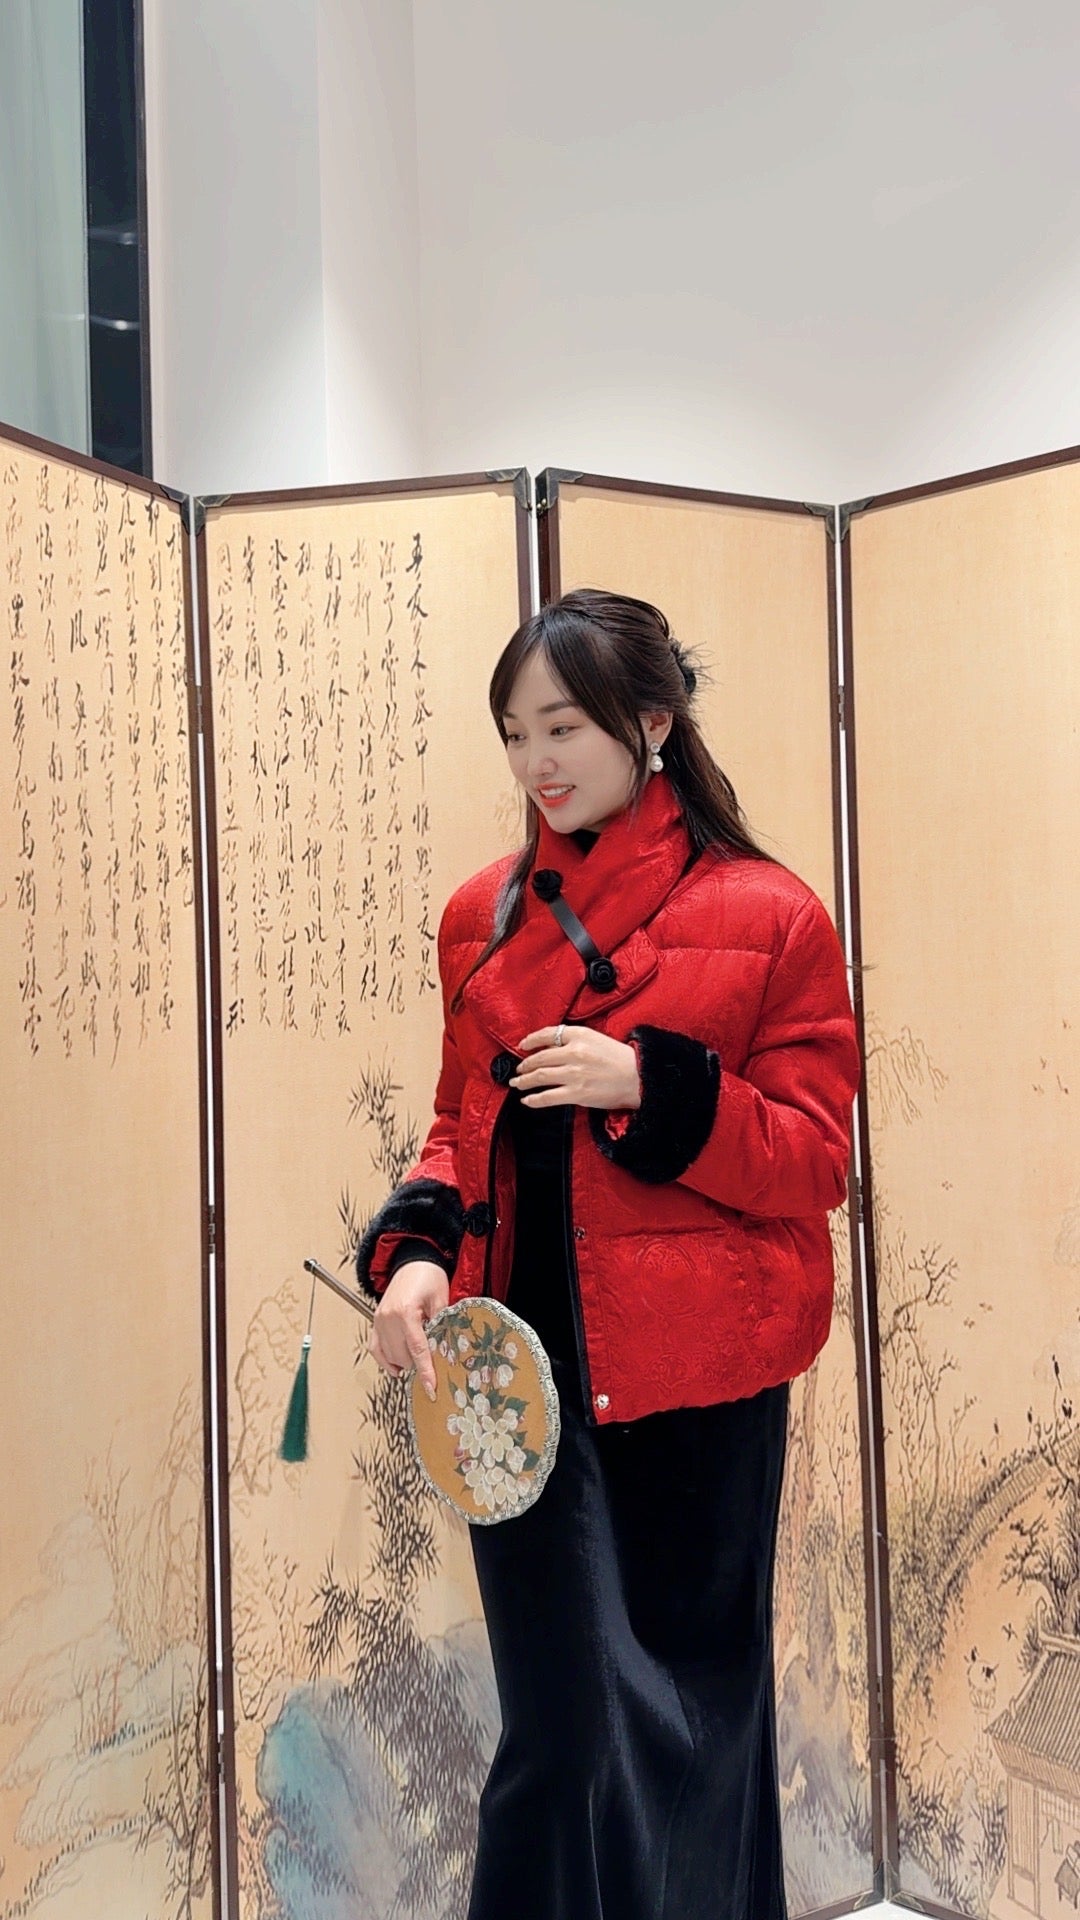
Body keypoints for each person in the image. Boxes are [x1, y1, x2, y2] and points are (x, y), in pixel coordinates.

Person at [355, 588, 861, 1920]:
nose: (538, 763)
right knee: (565, 1729)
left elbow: (814, 1160)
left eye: (565, 726)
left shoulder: (773, 916)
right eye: (516, 733)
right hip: (517, 1385)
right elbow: (458, 1129)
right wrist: (414, 1255)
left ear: (653, 721)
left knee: (701, 1718)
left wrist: (651, 1083)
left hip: (703, 1380)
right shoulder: (483, 915)